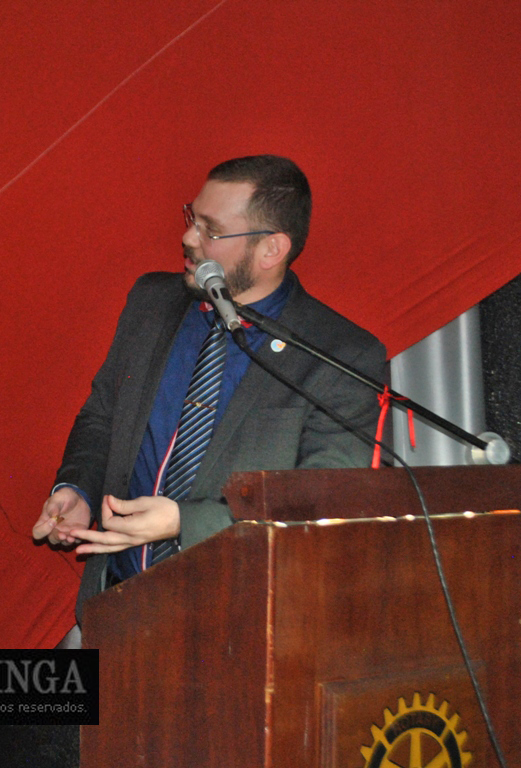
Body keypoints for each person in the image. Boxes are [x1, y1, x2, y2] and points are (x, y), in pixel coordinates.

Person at [32, 155, 387, 623]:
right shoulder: (152, 302)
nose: (188, 238)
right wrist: (78, 487)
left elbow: (321, 502)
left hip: (237, 626)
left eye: (211, 230)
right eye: (192, 218)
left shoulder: (339, 355)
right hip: (115, 609)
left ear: (271, 249)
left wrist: (186, 522)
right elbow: (103, 416)